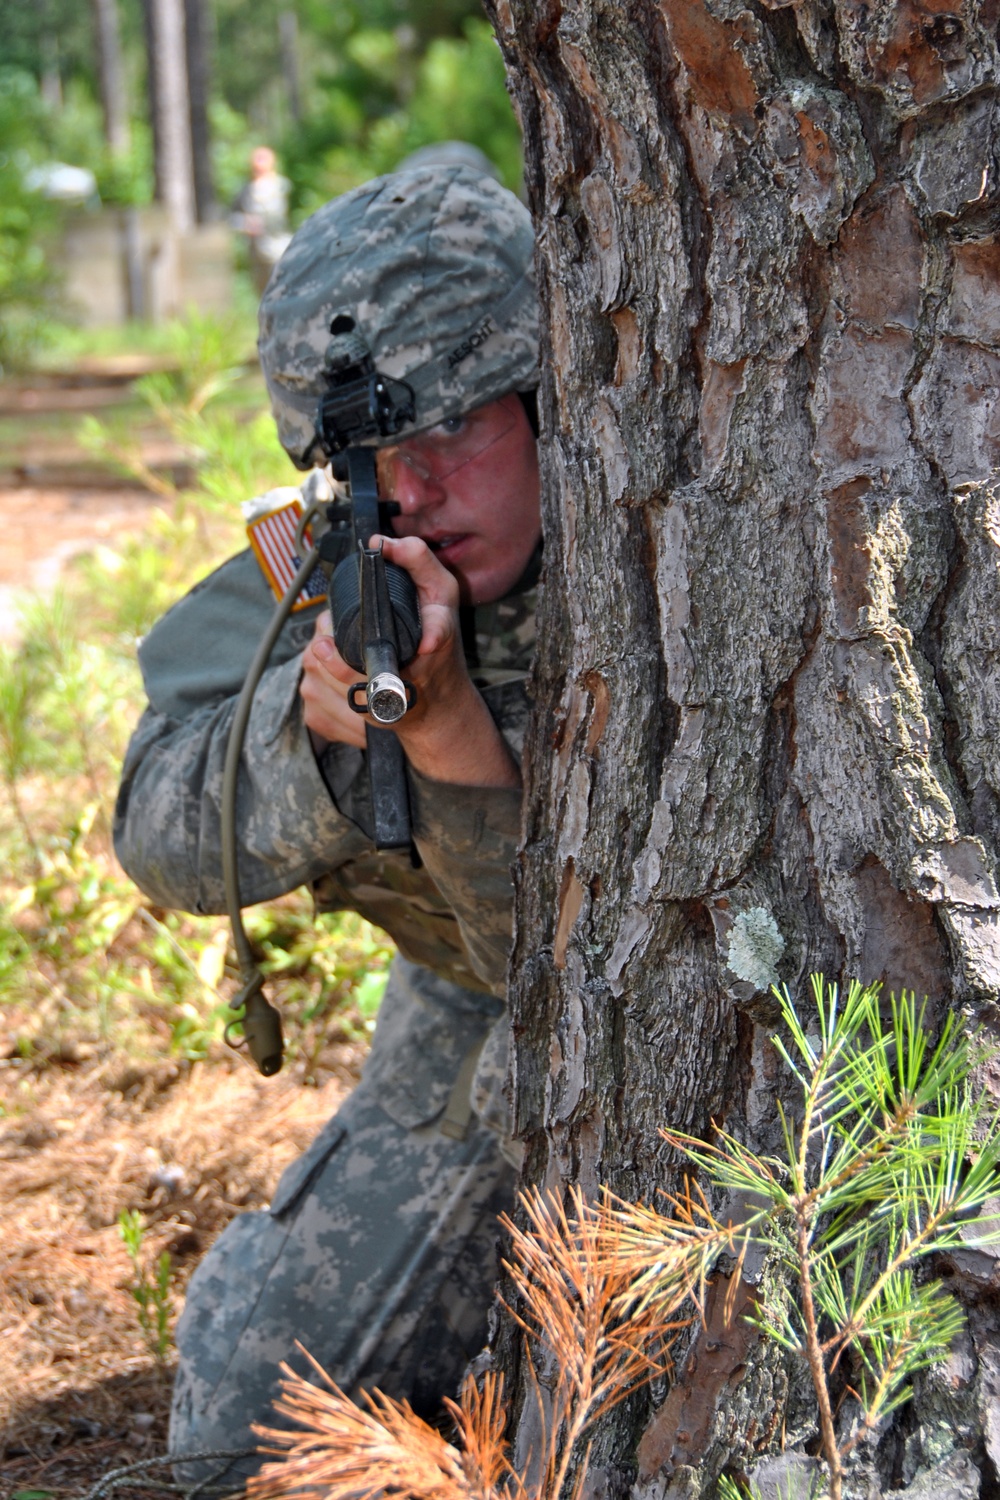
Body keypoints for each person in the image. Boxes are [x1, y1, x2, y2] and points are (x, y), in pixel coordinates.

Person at [113, 163, 541, 1484]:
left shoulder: (685, 545)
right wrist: (320, 741)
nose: (407, 491)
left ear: (554, 394)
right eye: (362, 458)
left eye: (454, 428)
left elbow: (583, 961)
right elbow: (156, 825)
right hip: (472, 1017)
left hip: (747, 1029)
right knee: (257, 1430)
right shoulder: (337, 573)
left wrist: (457, 746)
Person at [231, 145, 293, 294]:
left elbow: (283, 218)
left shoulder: (282, 187)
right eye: (256, 159)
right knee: (262, 292)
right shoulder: (246, 190)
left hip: (278, 249)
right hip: (256, 253)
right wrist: (244, 224)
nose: (258, 164)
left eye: (263, 159)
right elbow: (232, 217)